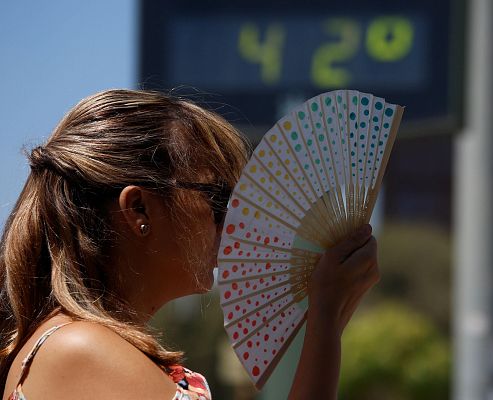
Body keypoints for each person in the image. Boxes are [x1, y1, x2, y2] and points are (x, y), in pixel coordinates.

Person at [0, 89, 379, 400]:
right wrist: (325, 323)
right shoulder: (81, 350)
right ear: (138, 209)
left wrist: (326, 320)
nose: (232, 221)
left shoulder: (81, 345)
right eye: (216, 198)